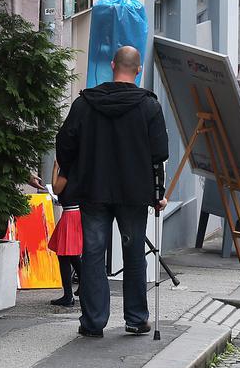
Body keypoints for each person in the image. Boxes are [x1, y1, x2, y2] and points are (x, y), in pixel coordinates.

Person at [56, 46, 170, 338]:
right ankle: (135, 317)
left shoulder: (85, 103)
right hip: (133, 192)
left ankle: (93, 321)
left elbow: (65, 140)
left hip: (93, 189)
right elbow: (159, 154)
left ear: (111, 65)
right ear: (139, 70)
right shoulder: (149, 107)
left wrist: (70, 172)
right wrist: (159, 193)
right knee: (133, 253)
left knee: (93, 253)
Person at [48, 161, 82, 308]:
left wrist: (55, 168)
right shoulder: (80, 166)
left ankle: (68, 295)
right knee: (72, 254)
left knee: (64, 255)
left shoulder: (68, 168)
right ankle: (84, 286)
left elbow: (56, 189)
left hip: (70, 213)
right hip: (77, 212)